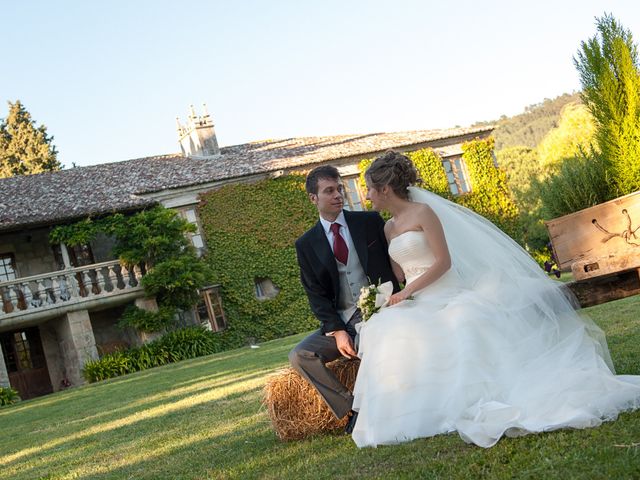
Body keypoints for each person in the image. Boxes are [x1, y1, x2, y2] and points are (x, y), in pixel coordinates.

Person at [351, 150, 640, 448]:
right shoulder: (387, 228)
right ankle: (410, 413)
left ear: (385, 189)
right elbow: (401, 273)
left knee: (463, 321)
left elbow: (443, 262)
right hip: (418, 298)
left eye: (370, 189)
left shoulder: (423, 213)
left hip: (447, 291)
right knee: (388, 328)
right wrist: (387, 295)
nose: (368, 196)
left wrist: (408, 291)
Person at [289, 165, 399, 433]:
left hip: (380, 312)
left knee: (369, 345)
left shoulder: (370, 222)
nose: (338, 195)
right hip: (342, 319)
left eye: (340, 188)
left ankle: (372, 408)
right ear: (313, 199)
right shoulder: (306, 244)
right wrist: (337, 330)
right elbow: (315, 294)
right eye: (329, 191)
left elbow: (395, 264)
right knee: (300, 355)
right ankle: (351, 407)